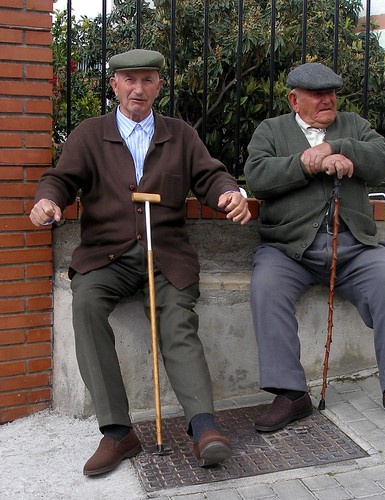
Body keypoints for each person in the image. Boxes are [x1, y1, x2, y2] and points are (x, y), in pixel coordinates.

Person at [30, 48, 251, 476]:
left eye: (147, 79)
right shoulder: (90, 134)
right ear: (114, 85)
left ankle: (204, 427)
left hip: (166, 254)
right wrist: (47, 201)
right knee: (87, 305)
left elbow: (210, 175)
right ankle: (118, 433)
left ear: (159, 86)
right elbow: (60, 179)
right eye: (129, 79)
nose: (138, 88)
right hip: (105, 255)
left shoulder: (180, 134)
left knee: (177, 321)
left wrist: (229, 193)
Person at [244, 62, 385, 433]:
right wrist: (306, 162)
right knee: (265, 286)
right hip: (288, 248)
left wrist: (339, 147)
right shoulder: (271, 130)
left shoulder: (353, 125)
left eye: (331, 93)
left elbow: (383, 160)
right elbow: (257, 177)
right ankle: (291, 393)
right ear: (294, 100)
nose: (327, 99)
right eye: (317, 94)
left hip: (354, 246)